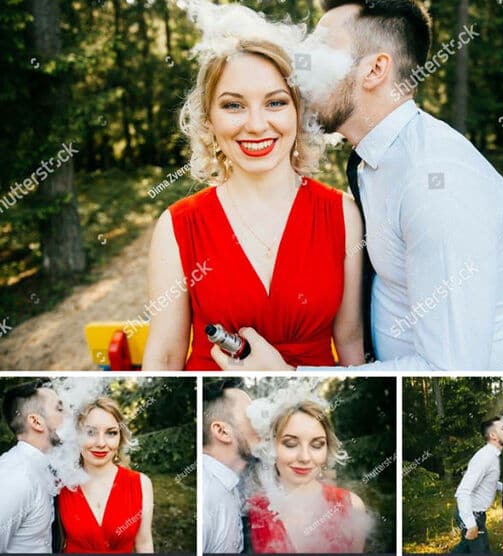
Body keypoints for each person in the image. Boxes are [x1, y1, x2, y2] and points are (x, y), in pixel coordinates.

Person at [211, 0, 503, 372]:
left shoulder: (438, 183)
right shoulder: (375, 159)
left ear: (375, 69)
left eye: (322, 47)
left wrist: (288, 375)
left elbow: (451, 369)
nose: (303, 64)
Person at [143, 37, 364, 370]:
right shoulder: (178, 225)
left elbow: (350, 341)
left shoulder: (342, 214)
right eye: (234, 105)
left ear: (298, 112)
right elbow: (165, 356)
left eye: (275, 103)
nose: (257, 125)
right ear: (209, 119)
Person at [247, 400, 368, 553]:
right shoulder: (252, 509)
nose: (305, 457)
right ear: (271, 447)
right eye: (290, 444)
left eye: (317, 445)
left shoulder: (352, 506)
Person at [58, 397, 154, 553]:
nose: (101, 443)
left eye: (111, 433)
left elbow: (144, 544)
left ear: (120, 437)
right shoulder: (61, 484)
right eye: (90, 432)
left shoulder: (141, 483)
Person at [0, 379, 64, 554]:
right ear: (36, 422)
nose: (68, 416)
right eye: (59, 409)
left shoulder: (44, 469)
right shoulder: (15, 477)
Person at [202, 379, 259, 553]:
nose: (262, 423)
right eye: (252, 416)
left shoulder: (229, 484)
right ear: (222, 431)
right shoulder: (206, 499)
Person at [452, 417, 503, 553]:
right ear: (493, 435)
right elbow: (463, 492)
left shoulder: (493, 456)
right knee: (481, 551)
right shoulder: (485, 457)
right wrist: (471, 524)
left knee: (465, 549)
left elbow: (489, 481)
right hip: (471, 514)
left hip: (477, 513)